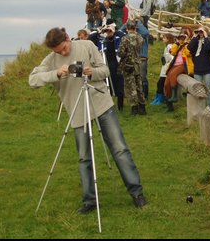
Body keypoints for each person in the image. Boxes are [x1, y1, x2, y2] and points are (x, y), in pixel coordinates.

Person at [28, 27, 147, 214]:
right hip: (77, 111)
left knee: (120, 149)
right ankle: (90, 201)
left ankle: (137, 193)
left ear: (68, 38)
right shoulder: (51, 60)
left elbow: (106, 70)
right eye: (58, 51)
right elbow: (32, 80)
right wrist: (56, 74)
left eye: (64, 49)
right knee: (84, 157)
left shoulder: (87, 45)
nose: (63, 53)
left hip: (101, 104)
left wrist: (90, 72)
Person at [118, 20, 147, 116]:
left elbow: (121, 53)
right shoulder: (140, 37)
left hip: (128, 64)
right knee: (139, 86)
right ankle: (142, 107)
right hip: (138, 63)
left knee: (131, 87)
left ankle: (134, 108)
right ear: (135, 28)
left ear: (127, 28)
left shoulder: (125, 39)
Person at [164, 27, 194, 112]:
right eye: (181, 35)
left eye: (185, 35)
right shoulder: (178, 44)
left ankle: (175, 97)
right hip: (174, 65)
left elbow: (189, 53)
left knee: (173, 74)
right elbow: (172, 52)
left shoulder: (190, 43)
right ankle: (169, 105)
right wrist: (178, 42)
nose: (183, 37)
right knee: (166, 84)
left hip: (184, 65)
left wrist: (186, 43)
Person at [187, 26, 210, 110]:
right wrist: (195, 36)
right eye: (199, 31)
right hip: (197, 70)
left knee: (208, 89)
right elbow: (189, 47)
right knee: (199, 90)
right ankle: (199, 108)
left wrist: (205, 36)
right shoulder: (195, 42)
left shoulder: (208, 41)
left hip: (207, 70)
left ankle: (209, 107)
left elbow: (209, 48)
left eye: (202, 31)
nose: (200, 32)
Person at [101, 22, 126, 111]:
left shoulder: (119, 37)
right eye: (106, 31)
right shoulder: (104, 41)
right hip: (108, 64)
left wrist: (113, 29)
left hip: (118, 64)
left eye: (109, 31)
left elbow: (123, 34)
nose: (108, 33)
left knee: (119, 84)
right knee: (108, 85)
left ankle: (120, 107)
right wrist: (101, 30)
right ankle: (110, 106)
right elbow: (93, 36)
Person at [150, 33, 175, 105]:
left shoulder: (170, 46)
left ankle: (161, 99)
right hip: (165, 67)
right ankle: (158, 98)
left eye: (164, 38)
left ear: (168, 39)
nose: (163, 39)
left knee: (161, 83)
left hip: (167, 68)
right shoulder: (167, 46)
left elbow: (171, 56)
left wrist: (166, 59)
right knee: (160, 83)